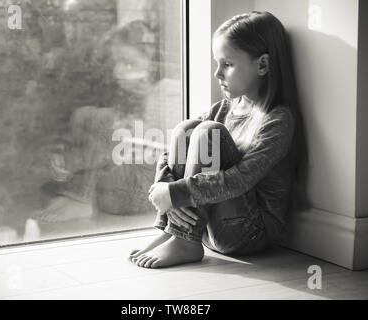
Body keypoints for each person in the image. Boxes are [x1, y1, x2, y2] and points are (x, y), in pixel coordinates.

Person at [129, 11, 306, 268]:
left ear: (262, 65)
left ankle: (185, 242)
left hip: (249, 232)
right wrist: (165, 186)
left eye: (228, 64)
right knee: (188, 128)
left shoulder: (277, 120)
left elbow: (238, 180)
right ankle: (175, 231)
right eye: (217, 63)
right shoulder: (224, 108)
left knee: (208, 131)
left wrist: (177, 193)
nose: (217, 74)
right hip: (209, 228)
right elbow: (171, 152)